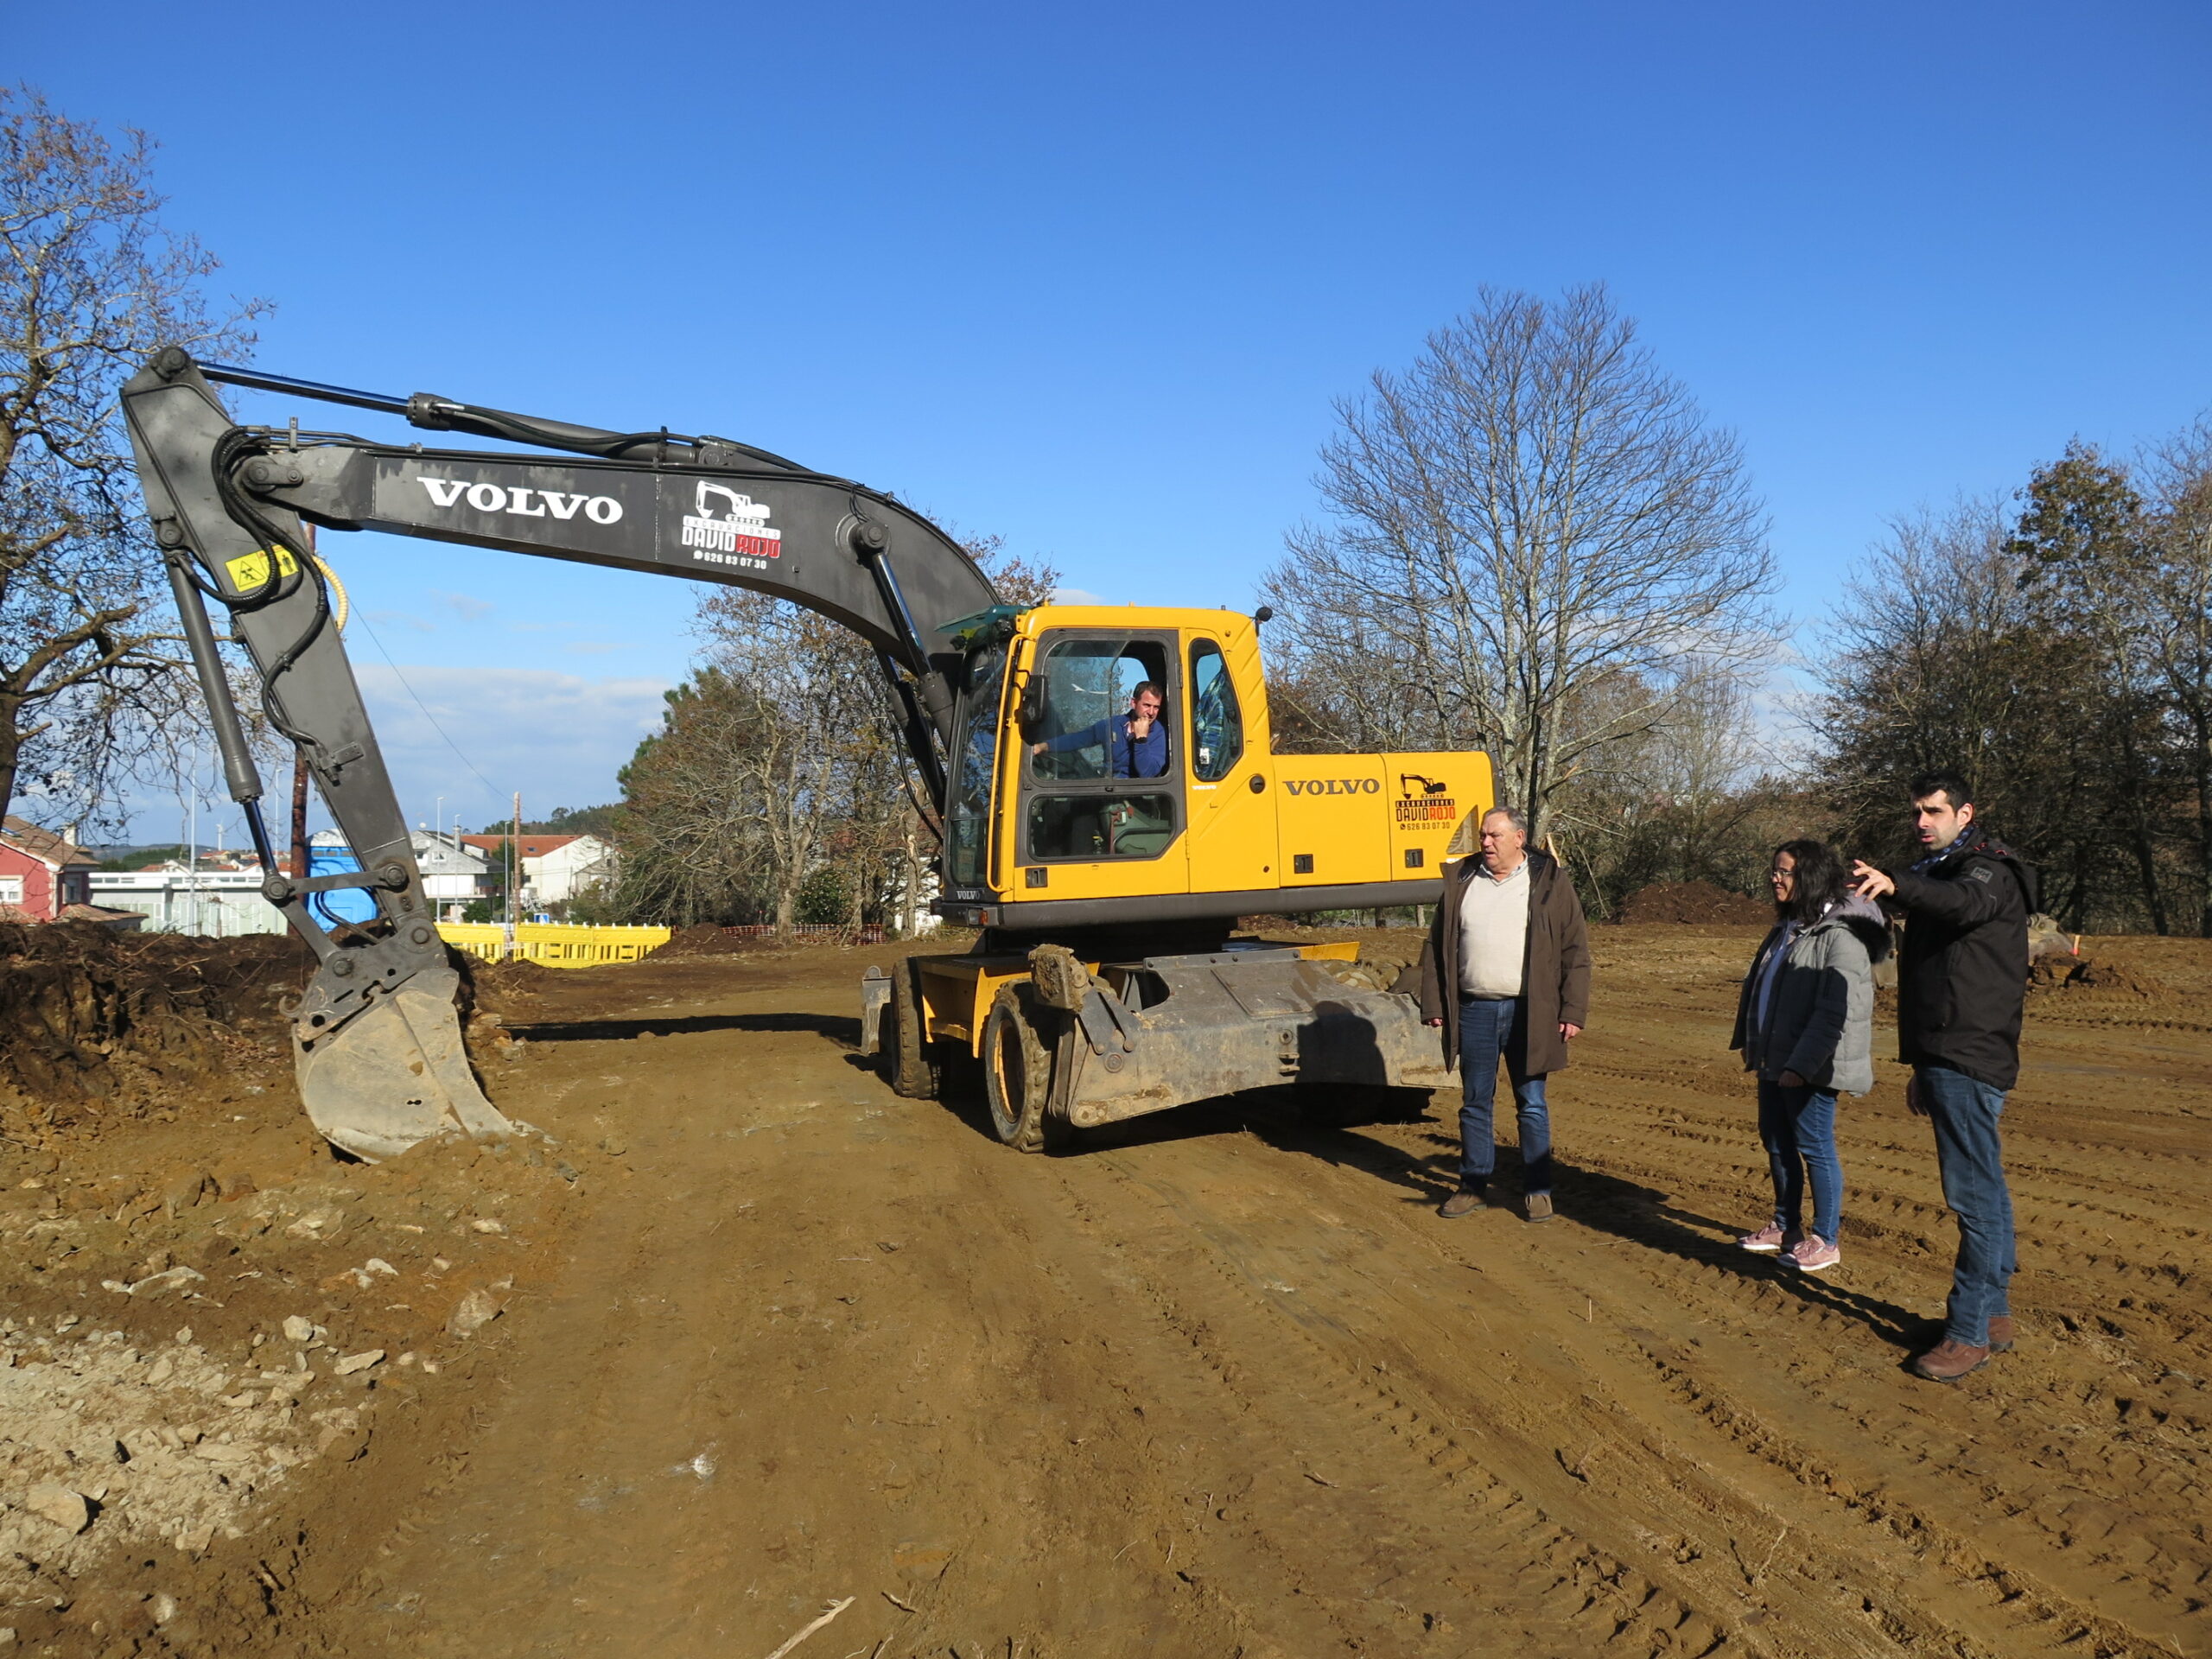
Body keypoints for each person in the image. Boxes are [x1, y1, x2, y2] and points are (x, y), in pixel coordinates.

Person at [1852, 770, 2037, 1383]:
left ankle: (1968, 1334)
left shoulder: (1987, 873)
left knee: (1974, 1197)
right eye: (1916, 812)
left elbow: (1961, 903)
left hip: (1969, 1054)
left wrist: (1899, 882)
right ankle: (1993, 1316)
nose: (1922, 822)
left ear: (1965, 814)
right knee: (1987, 1188)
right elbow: (1932, 933)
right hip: (1948, 1053)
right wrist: (1922, 1065)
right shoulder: (1943, 872)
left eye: (1934, 811)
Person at [1418, 806, 1591, 1223]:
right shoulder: (1462, 880)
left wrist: (1572, 1010)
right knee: (1475, 1102)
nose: (1485, 842)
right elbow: (1435, 947)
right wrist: (1435, 1003)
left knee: (1531, 1103)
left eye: (1494, 835)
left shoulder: (1549, 881)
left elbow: (1575, 950)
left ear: (1519, 838)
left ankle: (1538, 1191)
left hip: (1530, 1012)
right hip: (1474, 1009)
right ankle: (1472, 1186)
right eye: (1483, 835)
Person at [1731, 839, 1890, 1273]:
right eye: (1775, 870)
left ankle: (1825, 1239)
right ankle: (1786, 1226)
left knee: (1814, 1145)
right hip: (1775, 1056)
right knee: (1776, 1141)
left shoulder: (1841, 935)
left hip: (1811, 1064)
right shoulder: (1788, 927)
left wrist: (1802, 1065)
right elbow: (1761, 986)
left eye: (1784, 872)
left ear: (1811, 877)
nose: (1775, 878)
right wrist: (1753, 1039)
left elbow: (1835, 1011)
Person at [1031, 683, 1168, 778]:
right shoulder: (1113, 725)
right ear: (1133, 703)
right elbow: (1079, 739)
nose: (1151, 712)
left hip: (1139, 796)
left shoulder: (1158, 733)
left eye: (1156, 707)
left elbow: (1147, 773)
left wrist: (1141, 740)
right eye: (1147, 705)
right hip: (1107, 789)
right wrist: (1044, 746)